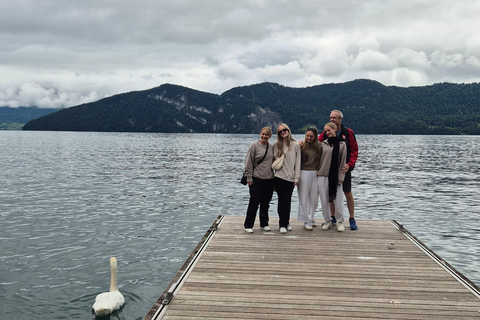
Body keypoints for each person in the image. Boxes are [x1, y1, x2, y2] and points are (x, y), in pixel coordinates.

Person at [319, 110, 359, 230]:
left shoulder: (348, 133)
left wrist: (350, 164)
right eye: (331, 117)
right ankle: (333, 218)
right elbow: (315, 143)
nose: (332, 120)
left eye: (334, 118)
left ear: (340, 119)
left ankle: (352, 218)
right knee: (331, 192)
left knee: (347, 192)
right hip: (330, 170)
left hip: (344, 169)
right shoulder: (326, 132)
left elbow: (354, 150)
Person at [243, 127, 275, 233]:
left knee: (266, 203)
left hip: (269, 179)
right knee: (254, 202)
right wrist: (249, 178)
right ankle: (248, 224)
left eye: (266, 135)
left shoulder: (271, 147)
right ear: (260, 134)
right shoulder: (254, 146)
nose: (264, 136)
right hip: (256, 178)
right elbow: (248, 163)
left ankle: (264, 223)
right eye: (263, 134)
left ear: (270, 136)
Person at [318, 122, 347, 231]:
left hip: (336, 176)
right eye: (326, 131)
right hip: (323, 175)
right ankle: (328, 220)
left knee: (338, 200)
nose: (327, 133)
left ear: (335, 129)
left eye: (329, 130)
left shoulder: (342, 144)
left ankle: (340, 222)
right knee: (324, 200)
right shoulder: (323, 144)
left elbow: (342, 162)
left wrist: (341, 177)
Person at [272, 123, 301, 234]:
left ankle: (286, 222)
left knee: (287, 201)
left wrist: (296, 178)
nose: (283, 132)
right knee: (281, 200)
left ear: (288, 130)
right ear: (278, 134)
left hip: (290, 178)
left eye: (284, 130)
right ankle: (282, 224)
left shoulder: (295, 145)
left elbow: (298, 163)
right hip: (279, 177)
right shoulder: (276, 144)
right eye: (280, 131)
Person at [296, 127, 321, 230]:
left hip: (316, 172)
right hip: (303, 172)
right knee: (303, 197)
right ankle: (305, 220)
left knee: (314, 198)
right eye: (307, 136)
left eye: (311, 136)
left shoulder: (319, 146)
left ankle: (311, 217)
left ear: (315, 137)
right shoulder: (301, 145)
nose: (309, 138)